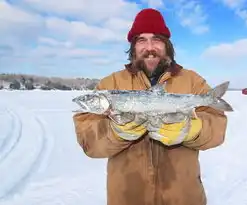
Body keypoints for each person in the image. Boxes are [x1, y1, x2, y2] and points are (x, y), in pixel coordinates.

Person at [72, 8, 228, 205]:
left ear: (167, 44)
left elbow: (217, 127)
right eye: (141, 40)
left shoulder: (192, 80)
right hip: (127, 197)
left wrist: (192, 129)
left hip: (184, 198)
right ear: (133, 47)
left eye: (156, 39)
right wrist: (115, 133)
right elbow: (89, 143)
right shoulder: (109, 84)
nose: (149, 47)